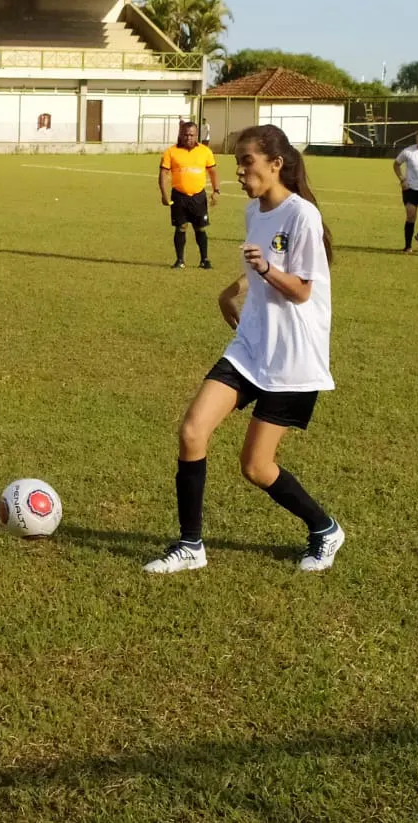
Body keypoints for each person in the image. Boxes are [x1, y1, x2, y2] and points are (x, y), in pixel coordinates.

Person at [144, 123, 344, 576]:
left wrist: (268, 269)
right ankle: (190, 546)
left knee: (256, 466)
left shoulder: (302, 216)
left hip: (293, 357)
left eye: (246, 161)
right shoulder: (256, 210)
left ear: (276, 164)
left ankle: (324, 528)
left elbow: (303, 290)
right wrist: (228, 290)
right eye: (237, 163)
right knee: (193, 430)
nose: (239, 171)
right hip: (251, 345)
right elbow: (255, 266)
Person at [159, 120, 220, 269]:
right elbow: (163, 173)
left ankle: (204, 260)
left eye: (192, 135)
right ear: (181, 135)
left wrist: (216, 190)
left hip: (198, 196)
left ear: (196, 135)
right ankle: (180, 260)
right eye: (185, 135)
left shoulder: (205, 151)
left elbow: (212, 171)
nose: (188, 138)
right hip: (179, 196)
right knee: (181, 227)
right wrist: (164, 194)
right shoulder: (171, 152)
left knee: (200, 228)